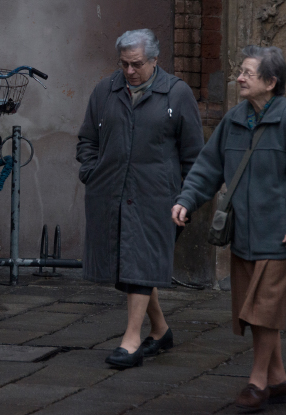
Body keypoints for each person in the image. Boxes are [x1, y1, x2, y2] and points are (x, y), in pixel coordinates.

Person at [172, 45, 286, 411]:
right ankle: (279, 379)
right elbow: (208, 168)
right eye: (239, 72)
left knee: (264, 310)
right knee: (255, 312)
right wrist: (186, 200)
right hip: (242, 236)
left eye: (247, 73)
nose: (239, 78)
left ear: (271, 82)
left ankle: (257, 383)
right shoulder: (233, 121)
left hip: (281, 239)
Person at [76, 29, 204, 369]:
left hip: (159, 199)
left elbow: (195, 154)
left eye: (137, 64)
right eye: (124, 64)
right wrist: (91, 171)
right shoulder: (105, 91)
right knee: (131, 265)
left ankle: (131, 341)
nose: (130, 71)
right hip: (111, 195)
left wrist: (188, 198)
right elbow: (87, 139)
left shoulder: (177, 93)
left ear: (155, 60)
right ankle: (160, 331)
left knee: (140, 264)